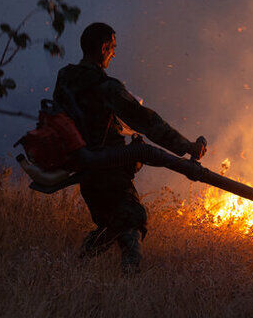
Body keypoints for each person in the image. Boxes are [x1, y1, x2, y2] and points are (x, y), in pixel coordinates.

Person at [52, 22, 207, 275]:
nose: (114, 53)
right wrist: (186, 146)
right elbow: (146, 121)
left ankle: (71, 270)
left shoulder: (65, 77)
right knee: (133, 218)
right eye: (113, 48)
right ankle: (128, 283)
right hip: (107, 171)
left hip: (86, 170)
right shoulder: (106, 87)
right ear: (103, 48)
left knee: (111, 225)